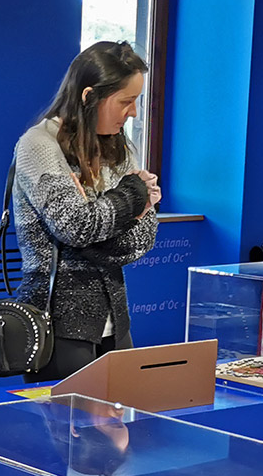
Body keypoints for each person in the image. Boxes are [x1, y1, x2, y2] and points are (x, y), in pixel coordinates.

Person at [13, 40, 161, 384]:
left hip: (116, 322)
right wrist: (132, 196)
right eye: (126, 101)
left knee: (122, 429)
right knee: (65, 433)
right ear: (89, 96)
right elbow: (76, 226)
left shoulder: (118, 147)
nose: (134, 113)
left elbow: (143, 239)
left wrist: (98, 224)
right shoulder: (39, 145)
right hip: (58, 323)